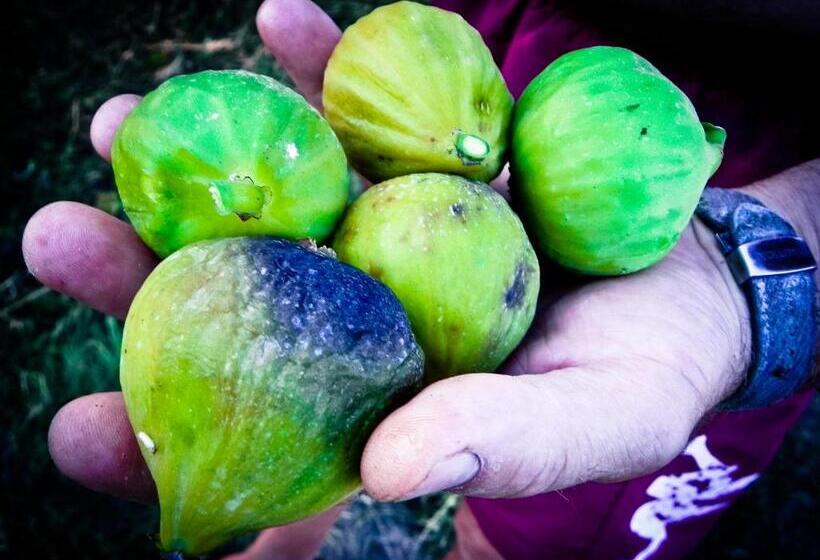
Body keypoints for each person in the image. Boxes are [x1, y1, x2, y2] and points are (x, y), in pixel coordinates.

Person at [21, 0, 819, 558]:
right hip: (540, 37)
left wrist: (747, 276)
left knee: (526, 525)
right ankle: (280, 539)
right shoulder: (462, 113)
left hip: (776, 132)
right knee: (338, 416)